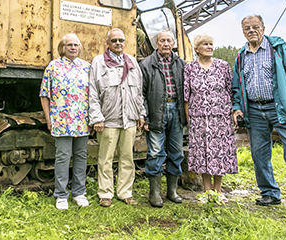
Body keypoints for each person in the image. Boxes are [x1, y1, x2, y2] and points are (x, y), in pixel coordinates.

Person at [232, 15, 286, 215]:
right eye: (247, 28)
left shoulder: (278, 48)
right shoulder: (241, 56)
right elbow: (236, 86)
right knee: (259, 154)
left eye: (255, 27)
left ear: (263, 28)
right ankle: (269, 193)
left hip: (281, 107)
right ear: (243, 31)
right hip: (254, 110)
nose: (251, 30)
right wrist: (237, 107)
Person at [89, 28, 146, 207]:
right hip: (109, 120)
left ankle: (125, 192)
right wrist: (97, 117)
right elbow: (92, 92)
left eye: (121, 40)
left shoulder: (132, 62)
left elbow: (138, 91)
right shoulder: (98, 62)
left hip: (129, 119)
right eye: (114, 40)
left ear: (125, 42)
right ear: (108, 42)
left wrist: (140, 113)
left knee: (127, 158)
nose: (118, 43)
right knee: (105, 158)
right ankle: (105, 193)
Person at [183, 34, 238, 203]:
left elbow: (230, 91)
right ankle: (207, 192)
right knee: (203, 154)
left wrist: (233, 112)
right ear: (197, 49)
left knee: (219, 153)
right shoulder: (189, 68)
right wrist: (189, 120)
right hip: (199, 119)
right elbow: (187, 96)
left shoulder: (223, 66)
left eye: (211, 44)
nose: (209, 47)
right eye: (205, 44)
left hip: (220, 118)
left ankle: (218, 191)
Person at [40, 33, 91, 210]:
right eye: (69, 45)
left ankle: (79, 192)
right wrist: (48, 118)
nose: (73, 48)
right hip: (62, 121)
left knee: (81, 156)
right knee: (62, 156)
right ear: (62, 47)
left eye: (76, 45)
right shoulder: (53, 67)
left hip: (82, 121)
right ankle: (61, 195)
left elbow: (93, 95)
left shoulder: (86, 67)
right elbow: (45, 94)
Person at [139, 30, 185, 208]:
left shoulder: (181, 63)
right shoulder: (146, 64)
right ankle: (155, 193)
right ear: (156, 43)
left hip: (176, 109)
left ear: (173, 43)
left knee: (176, 152)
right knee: (155, 152)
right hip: (156, 110)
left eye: (169, 40)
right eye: (162, 41)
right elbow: (141, 93)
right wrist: (145, 115)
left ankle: (172, 191)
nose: (166, 44)